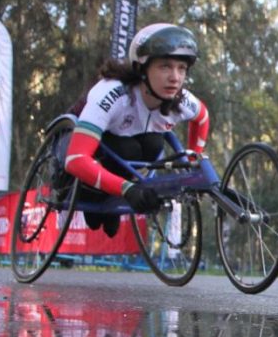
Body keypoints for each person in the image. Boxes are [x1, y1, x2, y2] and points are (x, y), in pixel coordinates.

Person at [62, 22, 210, 237]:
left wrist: (194, 155)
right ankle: (97, 194)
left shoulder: (181, 99)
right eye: (165, 67)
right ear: (142, 68)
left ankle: (112, 194)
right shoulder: (112, 94)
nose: (175, 78)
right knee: (128, 148)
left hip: (133, 149)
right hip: (98, 146)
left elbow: (202, 118)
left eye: (182, 68)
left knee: (154, 144)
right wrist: (126, 189)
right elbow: (75, 158)